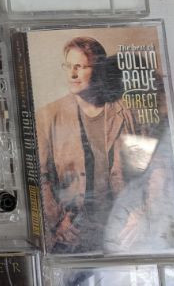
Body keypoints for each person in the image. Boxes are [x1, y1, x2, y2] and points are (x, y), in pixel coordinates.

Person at [36, 36, 136, 252]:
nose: (72, 74)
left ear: (98, 69)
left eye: (80, 67)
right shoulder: (47, 115)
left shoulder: (125, 113)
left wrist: (138, 213)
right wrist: (57, 221)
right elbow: (39, 177)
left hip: (118, 231)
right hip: (70, 234)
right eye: (68, 66)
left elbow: (146, 171)